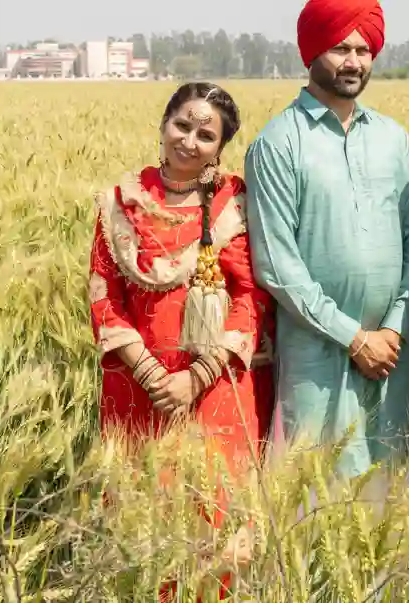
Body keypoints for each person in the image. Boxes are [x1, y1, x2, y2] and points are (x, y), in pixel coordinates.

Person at [88, 82, 274, 597]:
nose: (189, 141)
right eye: (182, 125)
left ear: (221, 147)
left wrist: (196, 377)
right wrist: (150, 373)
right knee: (143, 521)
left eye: (206, 135)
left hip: (216, 392)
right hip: (137, 391)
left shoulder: (235, 205)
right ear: (164, 123)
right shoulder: (121, 203)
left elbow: (253, 298)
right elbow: (102, 294)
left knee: (213, 520)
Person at [244, 0, 409, 482]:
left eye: (364, 50)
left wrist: (393, 328)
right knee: (317, 498)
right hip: (316, 358)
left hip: (393, 356)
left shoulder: (393, 137)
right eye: (340, 48)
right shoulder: (278, 142)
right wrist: (354, 337)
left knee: (393, 493)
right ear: (311, 51)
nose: (354, 62)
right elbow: (277, 264)